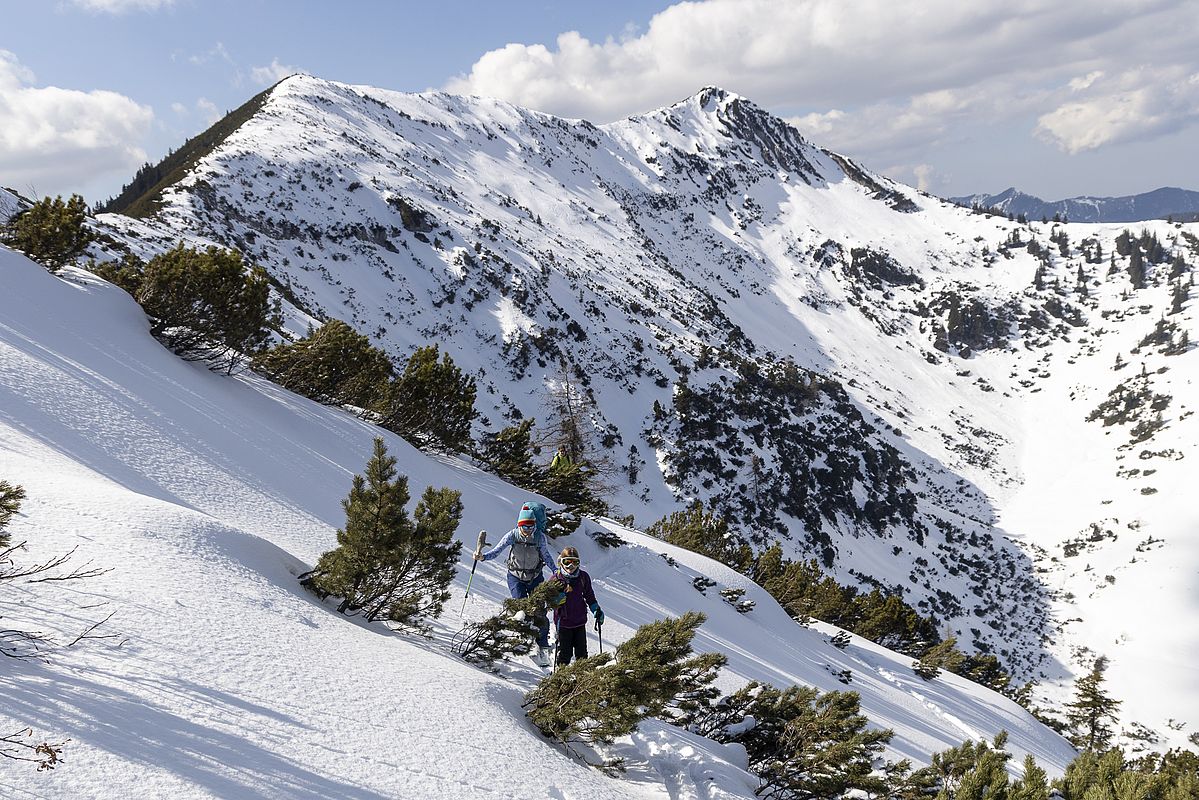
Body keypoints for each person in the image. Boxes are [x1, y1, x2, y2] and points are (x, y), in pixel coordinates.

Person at [474, 501, 556, 664]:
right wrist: (482, 557)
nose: (528, 530)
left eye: (531, 526)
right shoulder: (512, 535)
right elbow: (497, 551)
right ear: (519, 525)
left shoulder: (539, 537)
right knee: (521, 608)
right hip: (515, 577)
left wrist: (556, 571)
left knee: (540, 611)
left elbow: (546, 556)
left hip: (535, 577)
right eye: (525, 526)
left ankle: (543, 646)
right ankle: (524, 641)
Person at [548, 546, 604, 666]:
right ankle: (561, 674)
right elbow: (547, 600)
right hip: (563, 623)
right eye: (567, 562)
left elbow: (589, 596)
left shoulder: (583, 577)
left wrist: (596, 609)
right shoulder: (556, 579)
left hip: (579, 621)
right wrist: (555, 601)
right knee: (565, 654)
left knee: (582, 654)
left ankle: (582, 675)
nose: (571, 566)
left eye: (575, 562)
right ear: (561, 562)